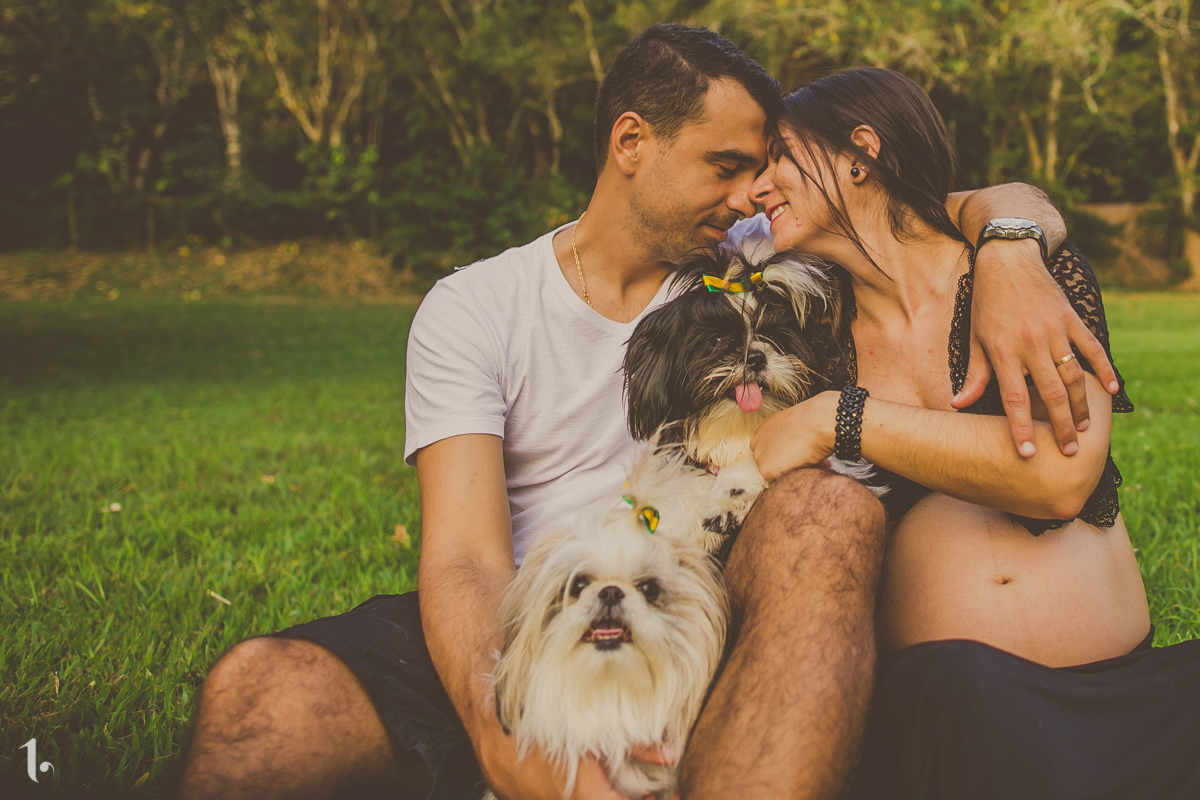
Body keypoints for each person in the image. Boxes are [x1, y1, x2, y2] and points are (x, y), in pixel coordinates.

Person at [174, 26, 1116, 800]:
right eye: (727, 165)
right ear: (631, 144)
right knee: (260, 690)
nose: (752, 194)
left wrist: (1009, 244)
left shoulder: (754, 268)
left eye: (764, 169)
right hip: (530, 610)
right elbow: (462, 555)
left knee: (827, 510)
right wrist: (497, 718)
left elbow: (914, 211)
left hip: (706, 590)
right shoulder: (474, 306)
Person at [746, 67, 1200, 799]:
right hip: (954, 708)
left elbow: (1059, 477)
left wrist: (846, 419)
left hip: (1133, 697)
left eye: (780, 158)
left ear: (860, 154)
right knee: (967, 700)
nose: (756, 188)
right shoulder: (808, 336)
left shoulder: (1026, 279)